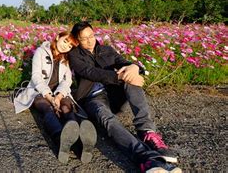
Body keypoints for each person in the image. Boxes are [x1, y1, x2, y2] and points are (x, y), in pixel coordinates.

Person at [69, 21, 181, 173]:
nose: (89, 40)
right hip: (93, 98)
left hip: (114, 96)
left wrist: (135, 67)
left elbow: (124, 62)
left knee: (132, 80)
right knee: (106, 117)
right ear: (77, 40)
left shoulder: (107, 49)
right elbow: (90, 72)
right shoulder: (75, 55)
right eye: (84, 38)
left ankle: (147, 132)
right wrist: (121, 77)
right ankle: (146, 159)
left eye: (91, 35)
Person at [14, 31, 97, 164]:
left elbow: (67, 81)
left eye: (70, 45)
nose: (66, 46)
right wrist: (49, 96)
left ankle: (80, 143)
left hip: (58, 92)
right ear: (57, 37)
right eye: (65, 41)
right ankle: (60, 140)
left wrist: (58, 96)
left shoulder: (66, 58)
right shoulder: (41, 52)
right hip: (39, 91)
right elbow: (36, 77)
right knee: (46, 108)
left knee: (66, 107)